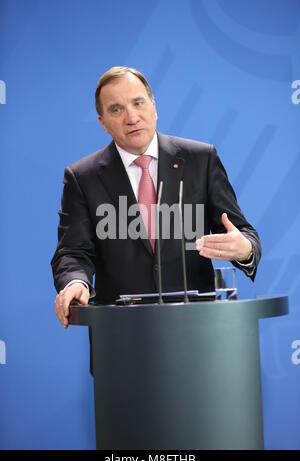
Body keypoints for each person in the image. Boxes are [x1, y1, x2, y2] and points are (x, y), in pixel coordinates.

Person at [52, 66, 261, 328]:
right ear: (102, 122)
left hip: (201, 333)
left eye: (138, 103)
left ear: (154, 106)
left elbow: (242, 232)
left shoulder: (200, 159)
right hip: (120, 336)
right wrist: (76, 282)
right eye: (116, 109)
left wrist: (244, 249)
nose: (132, 117)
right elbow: (72, 251)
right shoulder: (83, 177)